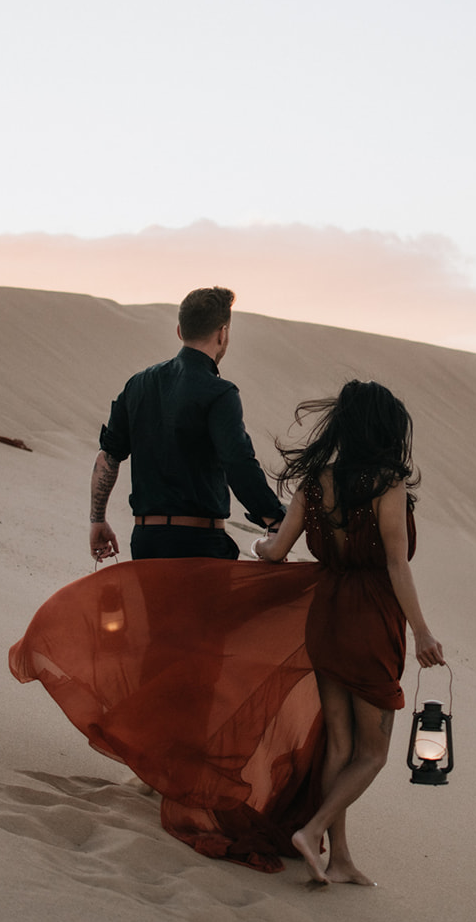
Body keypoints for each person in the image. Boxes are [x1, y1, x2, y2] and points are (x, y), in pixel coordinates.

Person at [253, 380, 445, 886]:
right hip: (370, 623)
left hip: (327, 617)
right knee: (373, 753)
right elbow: (396, 564)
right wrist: (423, 633)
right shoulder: (387, 485)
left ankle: (337, 858)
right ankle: (311, 830)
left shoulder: (315, 482)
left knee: (339, 744)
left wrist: (259, 546)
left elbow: (276, 552)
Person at [89, 286, 285, 562]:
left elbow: (108, 456)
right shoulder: (219, 393)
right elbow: (237, 462)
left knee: (155, 608)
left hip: (145, 544)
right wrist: (275, 520)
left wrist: (97, 520)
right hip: (198, 545)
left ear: (180, 331)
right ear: (223, 333)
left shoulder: (138, 385)